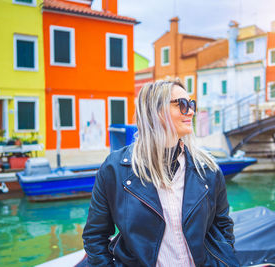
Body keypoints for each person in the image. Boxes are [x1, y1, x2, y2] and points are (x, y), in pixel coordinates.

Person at [82, 80, 239, 266]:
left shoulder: (208, 169)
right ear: (156, 112)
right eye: (182, 104)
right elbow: (95, 236)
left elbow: (223, 227)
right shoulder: (114, 169)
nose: (191, 111)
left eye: (191, 104)